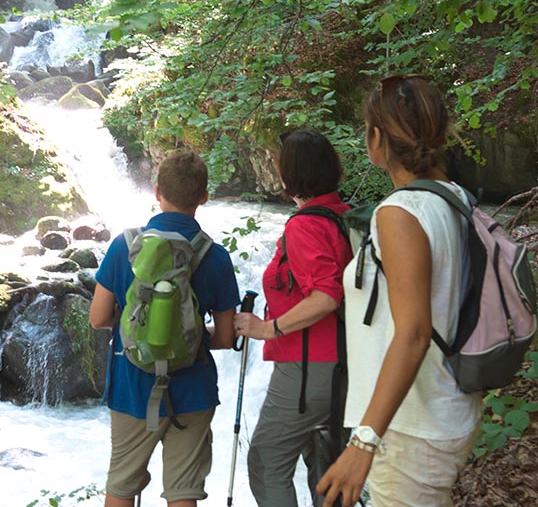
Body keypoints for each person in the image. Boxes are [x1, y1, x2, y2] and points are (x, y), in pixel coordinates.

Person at [317, 75, 483, 507]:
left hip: (410, 425)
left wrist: (364, 442)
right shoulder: (454, 199)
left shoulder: (401, 211)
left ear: (376, 138)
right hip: (439, 410)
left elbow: (413, 332)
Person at [89, 147, 239, 507]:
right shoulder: (215, 256)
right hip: (193, 390)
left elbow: (97, 318)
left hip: (131, 385)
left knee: (122, 486)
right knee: (183, 492)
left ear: (157, 191)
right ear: (203, 197)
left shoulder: (124, 247)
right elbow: (224, 337)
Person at [233, 130, 353, 507]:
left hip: (306, 369)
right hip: (344, 366)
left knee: (267, 462)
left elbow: (327, 295)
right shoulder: (343, 215)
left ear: (291, 174)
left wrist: (267, 329)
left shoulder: (305, 226)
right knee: (324, 468)